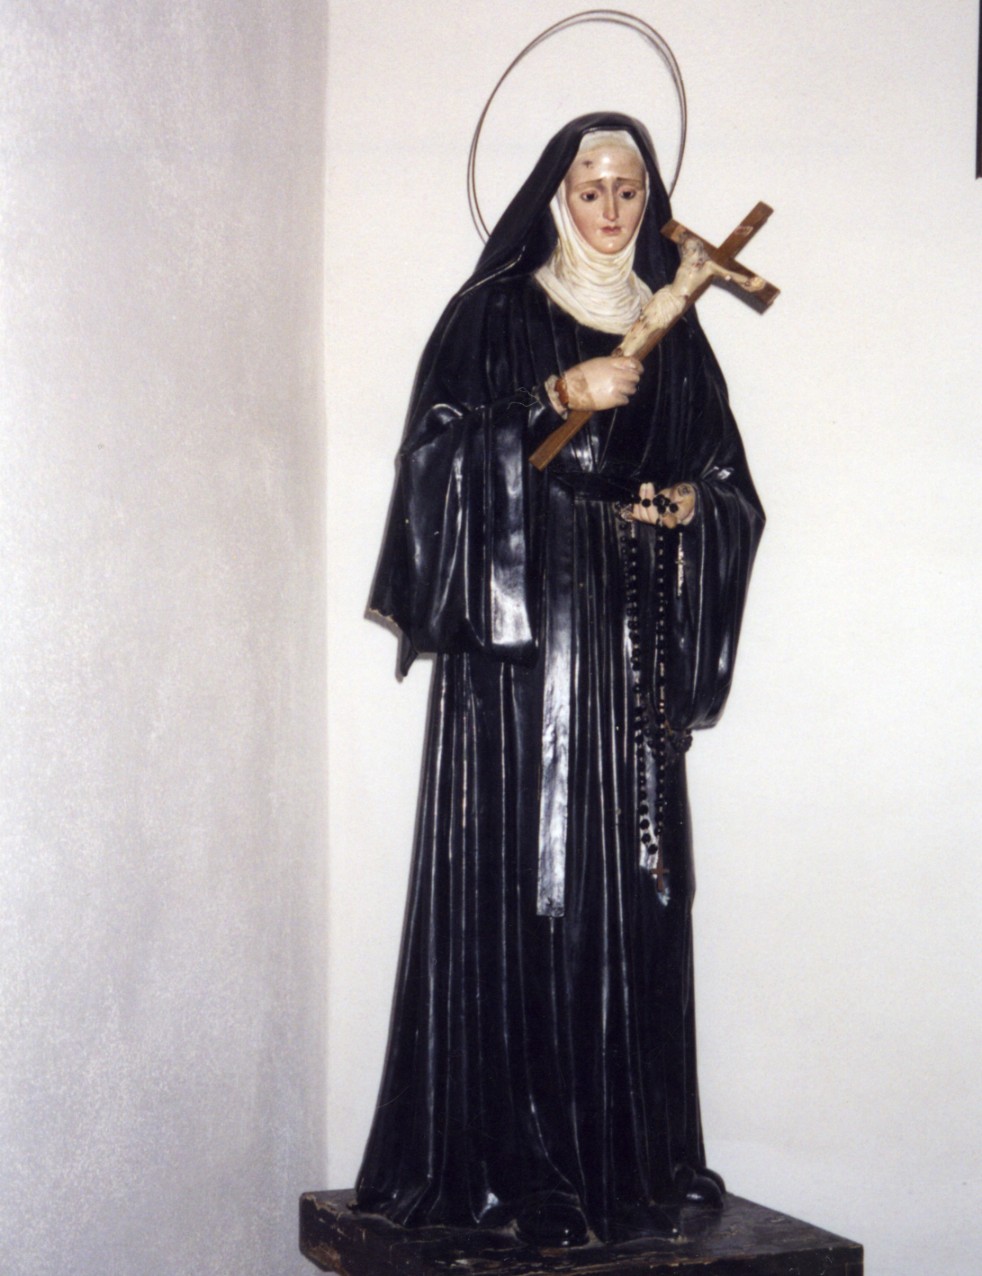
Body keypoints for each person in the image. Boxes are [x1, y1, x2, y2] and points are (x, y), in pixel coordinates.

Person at [356, 112, 764, 1249]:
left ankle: (639, 1156)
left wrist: (688, 510)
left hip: (635, 646)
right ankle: (524, 1166)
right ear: (554, 196)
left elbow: (730, 488)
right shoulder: (492, 315)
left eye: (629, 189)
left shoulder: (675, 328)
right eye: (591, 188)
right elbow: (432, 463)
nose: (612, 209)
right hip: (528, 662)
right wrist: (550, 396)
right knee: (537, 890)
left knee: (643, 887)